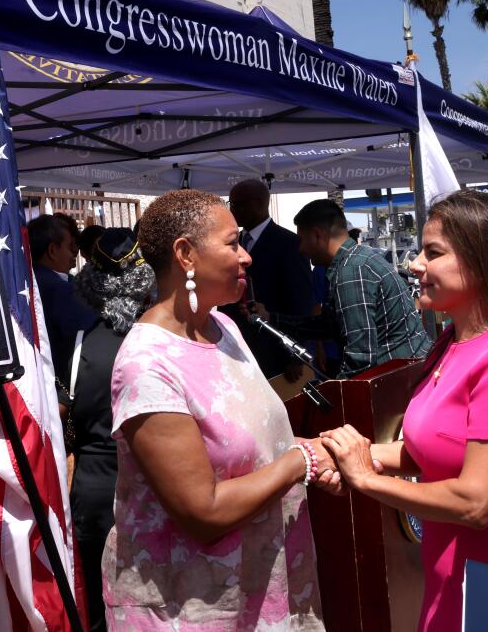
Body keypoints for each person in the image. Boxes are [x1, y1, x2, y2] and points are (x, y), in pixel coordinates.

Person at [321, 190, 488, 632]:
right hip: (451, 578)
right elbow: (432, 452)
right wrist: (341, 453)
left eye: (433, 252)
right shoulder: (451, 345)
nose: (415, 264)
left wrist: (366, 478)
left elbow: (475, 501)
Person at [103, 189, 330, 629]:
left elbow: (257, 446)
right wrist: (299, 461)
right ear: (185, 254)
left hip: (264, 590)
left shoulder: (223, 326)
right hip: (192, 608)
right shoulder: (147, 366)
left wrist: (317, 455)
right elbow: (203, 512)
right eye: (232, 244)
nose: (246, 256)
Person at [68, 228, 155, 632]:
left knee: (103, 611)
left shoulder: (80, 345)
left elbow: (73, 424)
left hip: (97, 491)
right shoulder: (163, 343)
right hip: (153, 489)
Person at [252, 199, 430, 377]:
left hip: (399, 380)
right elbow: (327, 325)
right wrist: (271, 318)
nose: (301, 248)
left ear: (317, 235)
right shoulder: (355, 261)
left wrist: (337, 395)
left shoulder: (352, 270)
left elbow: (360, 358)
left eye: (302, 239)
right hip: (403, 375)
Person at [223, 178, 315, 379]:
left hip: (274, 351)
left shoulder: (289, 244)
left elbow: (300, 301)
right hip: (235, 348)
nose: (232, 210)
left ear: (257, 204)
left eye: (236, 204)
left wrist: (295, 356)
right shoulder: (229, 243)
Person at [30, 214, 98, 387]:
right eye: (70, 248)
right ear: (53, 250)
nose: (73, 256)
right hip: (56, 383)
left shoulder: (26, 281)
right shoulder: (61, 290)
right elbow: (93, 331)